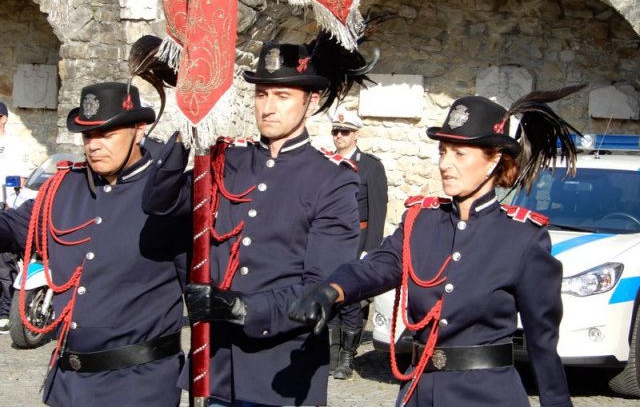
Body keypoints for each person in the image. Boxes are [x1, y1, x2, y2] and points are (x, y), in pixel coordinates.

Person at [289, 91, 585, 407]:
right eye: (443, 151)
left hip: (488, 396)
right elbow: (378, 265)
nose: (445, 163)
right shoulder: (422, 222)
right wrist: (332, 290)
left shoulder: (522, 239)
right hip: (420, 391)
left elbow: (542, 343)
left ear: (494, 159)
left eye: (459, 154)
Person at [142, 35, 378, 406]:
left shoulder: (332, 180)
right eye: (262, 94)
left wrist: (240, 308)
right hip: (217, 369)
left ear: (310, 102)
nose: (268, 107)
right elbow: (159, 202)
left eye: (282, 96)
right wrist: (185, 126)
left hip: (281, 376)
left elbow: (319, 285)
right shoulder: (226, 160)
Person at [0, 82, 190, 407]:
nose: (94, 145)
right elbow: (16, 227)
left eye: (106, 134)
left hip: (140, 388)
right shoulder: (63, 189)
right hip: (68, 385)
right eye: (88, 136)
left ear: (138, 129)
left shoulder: (169, 199)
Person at [328, 108, 388, 379]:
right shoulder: (326, 162)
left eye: (345, 132)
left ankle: (346, 359)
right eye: (336, 131)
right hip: (328, 241)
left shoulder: (370, 166)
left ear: (356, 135)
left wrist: (371, 249)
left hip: (357, 241)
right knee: (329, 297)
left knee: (351, 299)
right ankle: (329, 356)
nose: (339, 136)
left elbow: (378, 209)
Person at [0, 101, 32, 334]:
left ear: (3, 119)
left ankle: (3, 313)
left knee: (3, 265)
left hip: (5, 207)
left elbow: (22, 178)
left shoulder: (16, 146)